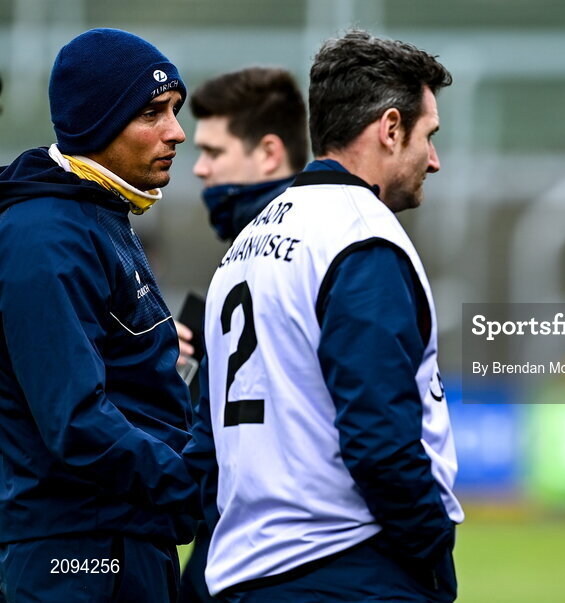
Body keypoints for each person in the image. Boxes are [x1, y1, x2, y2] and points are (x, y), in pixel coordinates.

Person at [189, 30, 463, 601]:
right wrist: (430, 552)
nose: (433, 160)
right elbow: (378, 439)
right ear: (390, 129)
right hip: (345, 569)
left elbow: (207, 442)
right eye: (428, 136)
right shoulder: (360, 237)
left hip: (243, 572)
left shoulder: (243, 247)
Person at [0, 28, 198, 602]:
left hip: (122, 537)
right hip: (78, 556)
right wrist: (189, 484)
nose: (176, 132)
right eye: (153, 113)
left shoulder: (96, 214)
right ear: (97, 120)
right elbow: (76, 419)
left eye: (175, 110)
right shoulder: (46, 236)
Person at [177, 66, 309, 603]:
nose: (201, 170)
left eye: (214, 152)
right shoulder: (247, 252)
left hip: (265, 562)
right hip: (232, 552)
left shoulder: (307, 257)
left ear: (269, 153)